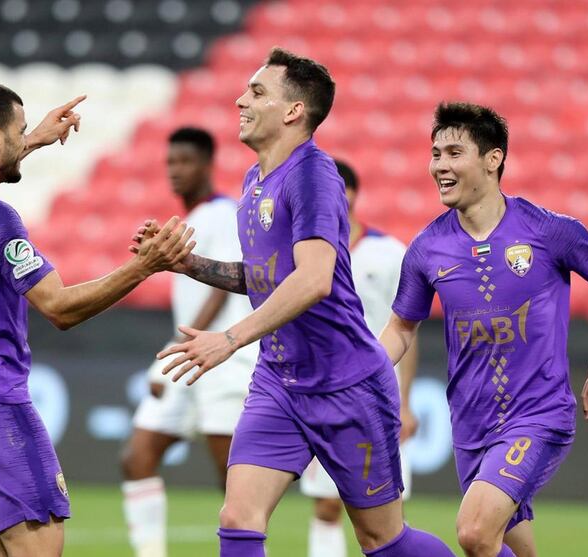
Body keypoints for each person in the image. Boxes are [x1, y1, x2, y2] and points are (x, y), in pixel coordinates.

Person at [148, 48, 455, 557]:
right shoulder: (253, 182)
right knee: (238, 518)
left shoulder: (314, 174)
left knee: (382, 540)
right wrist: (189, 264)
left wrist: (230, 338)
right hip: (279, 381)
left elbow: (314, 279)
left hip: (347, 385)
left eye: (257, 91)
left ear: (293, 111)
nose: (240, 99)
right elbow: (268, 278)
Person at [0, 81, 194, 557]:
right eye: (20, 131)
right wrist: (146, 265)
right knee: (40, 548)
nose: (26, 137)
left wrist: (33, 140)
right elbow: (58, 307)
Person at [379, 101, 588, 557]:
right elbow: (402, 327)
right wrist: (363, 373)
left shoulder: (547, 230)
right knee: (505, 546)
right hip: (469, 423)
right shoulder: (427, 248)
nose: (439, 165)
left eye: (454, 153)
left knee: (474, 533)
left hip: (535, 416)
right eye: (435, 154)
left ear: (493, 159)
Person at [119, 127, 256, 557]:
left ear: (208, 166)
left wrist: (181, 349)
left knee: (232, 480)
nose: (175, 171)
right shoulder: (192, 219)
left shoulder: (222, 213)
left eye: (185, 161)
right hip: (189, 358)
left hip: (222, 361)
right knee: (137, 456)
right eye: (170, 162)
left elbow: (224, 285)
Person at [299, 159, 419, 557]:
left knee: (386, 515)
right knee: (326, 504)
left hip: (377, 396)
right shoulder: (304, 253)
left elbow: (407, 330)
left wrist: (405, 402)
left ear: (350, 195)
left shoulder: (389, 254)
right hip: (322, 394)